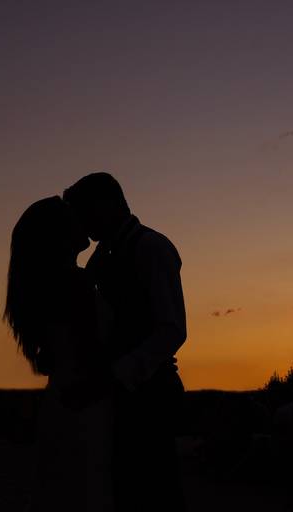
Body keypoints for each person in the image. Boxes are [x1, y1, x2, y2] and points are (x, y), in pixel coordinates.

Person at [63, 173, 187, 512]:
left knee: (154, 489)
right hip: (116, 393)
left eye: (85, 211)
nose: (82, 223)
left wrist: (118, 374)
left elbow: (172, 329)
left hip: (146, 393)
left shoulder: (151, 248)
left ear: (107, 205)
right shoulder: (101, 257)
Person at [4, 196, 115, 512]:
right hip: (86, 403)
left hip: (63, 402)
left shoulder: (53, 286)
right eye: (72, 216)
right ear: (59, 233)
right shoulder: (73, 286)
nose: (82, 219)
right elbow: (92, 351)